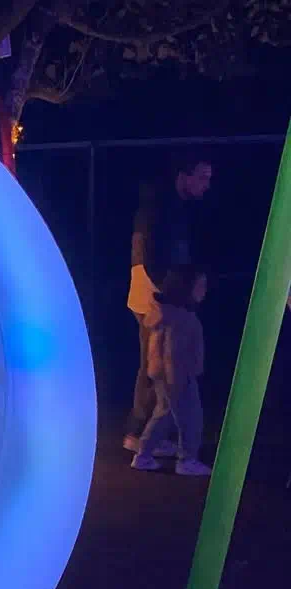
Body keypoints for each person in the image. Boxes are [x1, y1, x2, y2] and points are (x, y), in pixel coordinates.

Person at [125, 156, 212, 455]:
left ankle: (146, 433)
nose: (205, 185)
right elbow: (148, 254)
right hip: (155, 298)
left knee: (156, 366)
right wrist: (171, 293)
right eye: (201, 177)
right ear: (183, 175)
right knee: (157, 367)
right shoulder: (159, 209)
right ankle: (140, 433)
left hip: (159, 296)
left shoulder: (169, 208)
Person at [131, 265, 211, 477]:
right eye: (200, 285)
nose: (204, 290)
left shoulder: (165, 314)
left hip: (164, 375)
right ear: (186, 288)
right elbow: (172, 352)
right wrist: (178, 379)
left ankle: (144, 455)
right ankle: (187, 459)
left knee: (163, 413)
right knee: (191, 418)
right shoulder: (183, 319)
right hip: (178, 376)